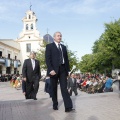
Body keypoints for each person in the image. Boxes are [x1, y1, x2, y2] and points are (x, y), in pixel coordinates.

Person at [45, 31, 74, 112]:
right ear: (54, 37)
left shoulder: (64, 47)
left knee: (64, 88)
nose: (59, 37)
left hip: (63, 70)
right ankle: (55, 104)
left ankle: (68, 107)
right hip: (53, 71)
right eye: (58, 36)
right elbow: (48, 59)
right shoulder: (49, 46)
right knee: (54, 89)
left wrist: (68, 70)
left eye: (60, 36)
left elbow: (66, 60)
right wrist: (51, 69)